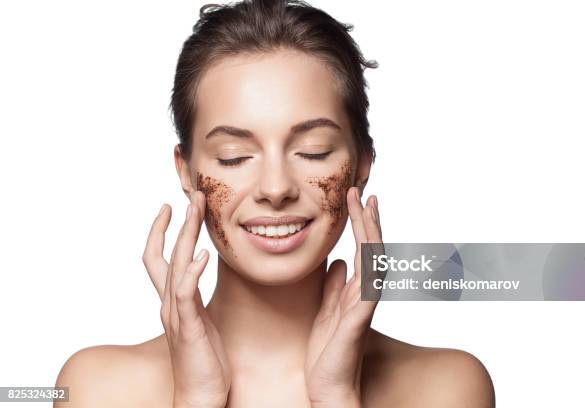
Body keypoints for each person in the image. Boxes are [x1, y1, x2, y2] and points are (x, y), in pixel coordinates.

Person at [55, 1, 495, 406]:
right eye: (234, 156)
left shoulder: (447, 386)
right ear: (186, 172)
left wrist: (337, 396)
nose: (275, 186)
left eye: (314, 150)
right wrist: (195, 399)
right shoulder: (96, 387)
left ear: (362, 163)